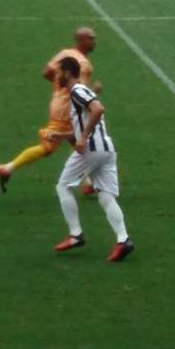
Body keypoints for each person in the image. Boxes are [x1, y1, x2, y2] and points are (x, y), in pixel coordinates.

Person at [52, 57, 135, 262]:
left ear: (67, 72)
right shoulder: (80, 92)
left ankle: (75, 234)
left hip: (92, 149)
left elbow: (98, 109)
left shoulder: (77, 91)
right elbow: (88, 119)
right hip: (106, 150)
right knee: (105, 196)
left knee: (63, 186)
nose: (56, 76)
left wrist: (82, 138)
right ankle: (123, 240)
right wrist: (62, 136)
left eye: (59, 72)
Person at [0, 28, 100, 192]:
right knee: (49, 147)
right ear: (82, 41)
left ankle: (90, 183)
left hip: (57, 104)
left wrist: (60, 88)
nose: (94, 41)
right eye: (91, 38)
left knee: (80, 142)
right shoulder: (84, 65)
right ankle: (8, 168)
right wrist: (94, 92)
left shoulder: (64, 54)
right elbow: (79, 92)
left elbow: (46, 73)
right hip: (68, 110)